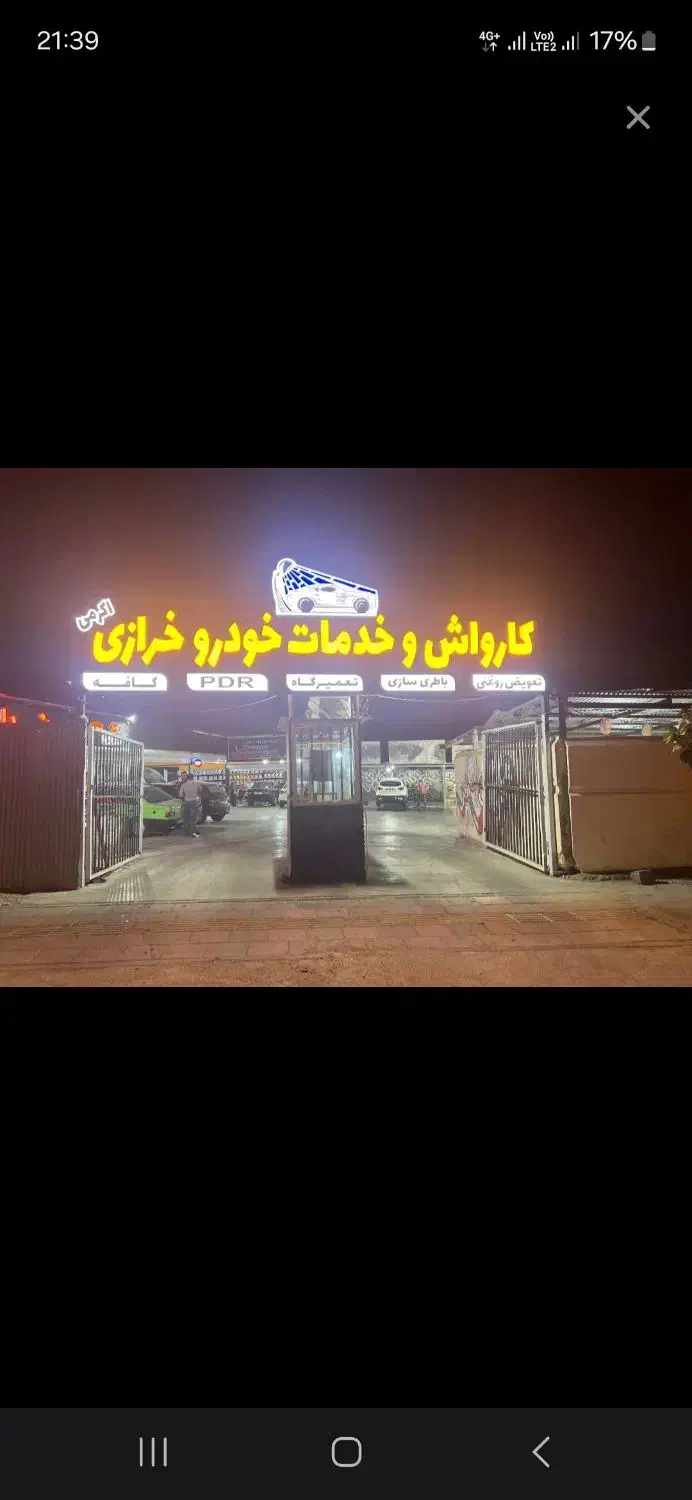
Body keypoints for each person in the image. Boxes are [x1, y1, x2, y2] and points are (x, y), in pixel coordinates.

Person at [179, 771, 202, 837]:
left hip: (186, 803)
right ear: (192, 778)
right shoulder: (196, 784)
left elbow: (180, 795)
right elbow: (201, 790)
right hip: (194, 803)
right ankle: (193, 832)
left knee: (186, 818)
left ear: (187, 778)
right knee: (193, 819)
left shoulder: (183, 785)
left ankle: (186, 833)